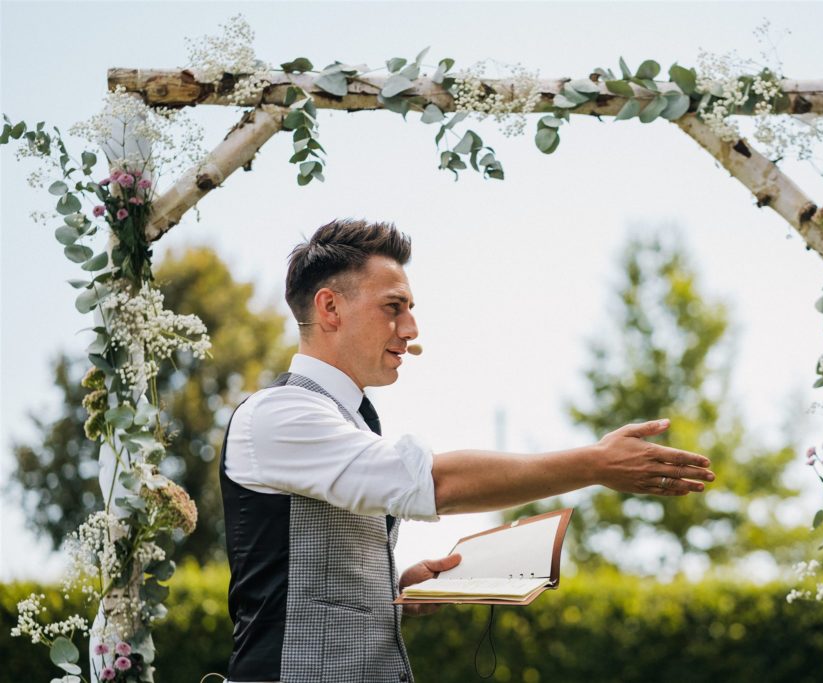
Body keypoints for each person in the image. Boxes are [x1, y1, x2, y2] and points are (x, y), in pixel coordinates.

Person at [219, 218, 716, 683]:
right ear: (330, 308)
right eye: (393, 307)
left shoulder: (345, 420)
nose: (411, 329)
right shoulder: (279, 414)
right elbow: (437, 484)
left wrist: (393, 588)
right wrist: (595, 463)